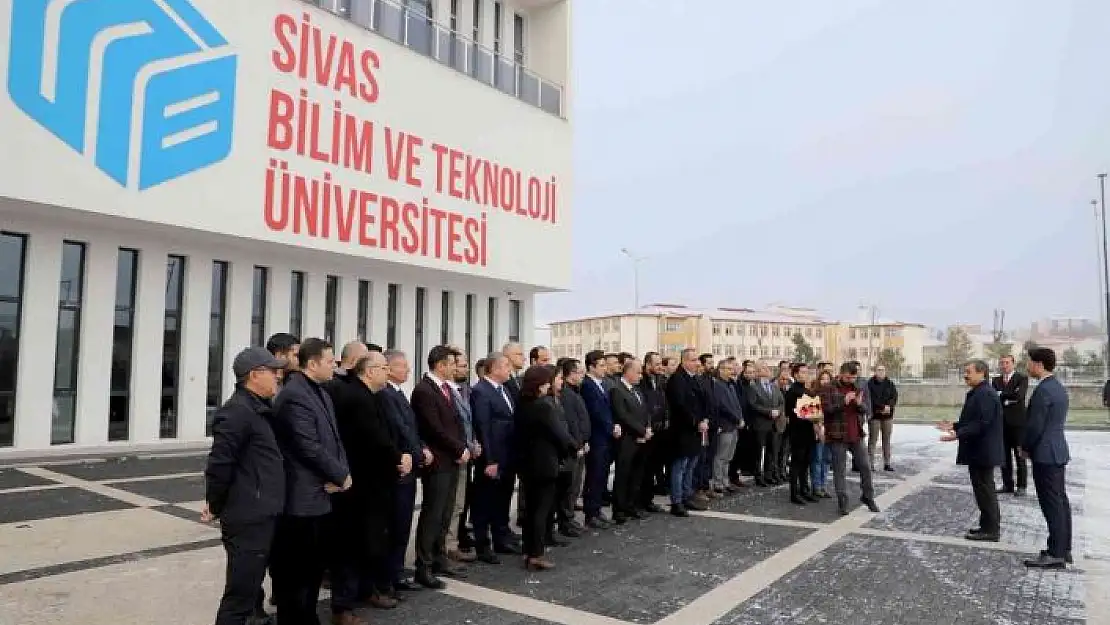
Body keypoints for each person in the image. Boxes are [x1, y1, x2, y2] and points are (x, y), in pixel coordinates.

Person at [269, 338, 351, 625]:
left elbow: (334, 440)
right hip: (301, 498)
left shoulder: (320, 392)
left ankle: (308, 617)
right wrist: (340, 475)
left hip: (321, 493)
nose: (334, 365)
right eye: (330, 361)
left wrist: (340, 473)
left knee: (314, 568)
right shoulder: (294, 395)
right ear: (313, 363)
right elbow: (308, 445)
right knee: (298, 573)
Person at [204, 347, 286, 625]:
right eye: (273, 371)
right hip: (248, 517)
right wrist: (215, 504)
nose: (279, 376)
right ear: (254, 375)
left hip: (264, 512)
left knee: (250, 590)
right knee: (240, 596)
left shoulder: (260, 409)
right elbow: (219, 465)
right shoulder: (237, 412)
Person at [328, 352, 412, 622]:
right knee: (352, 545)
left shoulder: (370, 395)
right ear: (369, 371)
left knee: (371, 541)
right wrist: (398, 458)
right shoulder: (356, 397)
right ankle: (343, 607)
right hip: (361, 486)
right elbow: (374, 439)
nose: (388, 372)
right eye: (384, 368)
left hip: (375, 483)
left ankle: (367, 590)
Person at [410, 345, 470, 588]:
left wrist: (462, 447)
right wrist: (458, 448)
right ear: (440, 365)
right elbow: (433, 428)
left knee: (446, 513)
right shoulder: (424, 390)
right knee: (432, 514)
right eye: (451, 364)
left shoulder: (447, 389)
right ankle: (423, 566)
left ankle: (439, 557)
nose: (455, 368)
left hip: (452, 460)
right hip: (438, 462)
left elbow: (455, 423)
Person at [514, 365, 578, 571]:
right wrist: (573, 447)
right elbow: (559, 434)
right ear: (541, 385)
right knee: (542, 510)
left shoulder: (522, 403)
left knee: (531, 509)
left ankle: (528, 549)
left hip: (526, 464)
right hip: (545, 464)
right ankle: (537, 554)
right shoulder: (543, 406)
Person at [937, 359, 1004, 542]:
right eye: (964, 371)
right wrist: (955, 425)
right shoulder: (979, 392)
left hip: (983, 451)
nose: (965, 375)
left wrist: (958, 434)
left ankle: (991, 530)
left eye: (969, 371)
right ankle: (986, 526)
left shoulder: (986, 394)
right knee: (981, 490)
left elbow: (982, 424)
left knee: (985, 490)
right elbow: (974, 420)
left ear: (982, 373)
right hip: (978, 450)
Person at [1022, 347, 1073, 569]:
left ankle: (1056, 553)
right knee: (1060, 502)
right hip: (1057, 450)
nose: (1027, 366)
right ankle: (1063, 548)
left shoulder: (1043, 390)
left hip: (1045, 453)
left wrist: (1025, 447)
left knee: (1052, 504)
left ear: (1039, 365)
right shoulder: (1058, 387)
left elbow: (1035, 426)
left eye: (1029, 362)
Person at [469, 353, 520, 562]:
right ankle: (483, 545)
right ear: (494, 368)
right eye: (506, 366)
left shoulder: (505, 389)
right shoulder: (481, 391)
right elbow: (483, 427)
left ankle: (501, 538)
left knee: (503, 499)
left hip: (508, 455)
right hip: (493, 457)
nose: (510, 370)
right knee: (485, 502)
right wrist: (489, 460)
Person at [818, 362, 880, 516]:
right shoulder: (829, 388)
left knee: (865, 466)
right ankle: (842, 501)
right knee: (840, 470)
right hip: (838, 435)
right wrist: (843, 402)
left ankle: (868, 496)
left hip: (856, 434)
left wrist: (860, 405)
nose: (852, 380)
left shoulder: (858, 386)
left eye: (854, 377)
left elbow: (865, 407)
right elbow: (826, 410)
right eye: (848, 377)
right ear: (841, 374)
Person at [666, 348, 711, 516]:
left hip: (696, 430)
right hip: (682, 431)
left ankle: (687, 495)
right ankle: (676, 501)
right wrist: (696, 421)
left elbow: (704, 402)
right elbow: (680, 406)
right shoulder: (677, 379)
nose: (697, 363)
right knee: (680, 466)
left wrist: (705, 418)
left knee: (691, 464)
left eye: (697, 359)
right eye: (692, 360)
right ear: (684, 361)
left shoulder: (695, 379)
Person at [609, 357, 652, 523]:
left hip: (641, 439)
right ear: (628, 372)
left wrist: (647, 428)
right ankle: (619, 510)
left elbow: (644, 411)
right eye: (638, 372)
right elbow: (623, 415)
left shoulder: (636, 390)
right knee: (623, 476)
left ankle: (631, 505)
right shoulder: (617, 390)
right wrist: (641, 431)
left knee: (636, 474)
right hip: (627, 440)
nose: (640, 376)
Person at [581, 350, 620, 528]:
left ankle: (596, 510)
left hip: (606, 436)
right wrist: (611, 427)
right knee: (594, 475)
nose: (605, 369)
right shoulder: (588, 385)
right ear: (591, 367)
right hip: (597, 436)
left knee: (602, 474)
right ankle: (591, 513)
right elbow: (596, 412)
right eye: (602, 365)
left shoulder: (602, 383)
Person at [557, 358, 592, 532]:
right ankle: (565, 521)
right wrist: (578, 444)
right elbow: (571, 423)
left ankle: (569, 517)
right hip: (573, 448)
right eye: (579, 372)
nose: (582, 375)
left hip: (580, 445)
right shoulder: (567, 395)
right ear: (570, 374)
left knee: (575, 484)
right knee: (569, 487)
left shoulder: (574, 392)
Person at [992, 355, 1030, 496]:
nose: (1004, 365)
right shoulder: (995, 380)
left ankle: (1022, 486)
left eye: (1007, 363)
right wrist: (1009, 396)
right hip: (1002, 424)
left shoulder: (1022, 378)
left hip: (1018, 425)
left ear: (1013, 364)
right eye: (1002, 363)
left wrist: (1002, 394)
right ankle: (1007, 485)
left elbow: (1019, 396)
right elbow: (994, 398)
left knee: (1020, 456)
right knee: (1004, 457)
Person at [784, 363, 819, 505]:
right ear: (796, 374)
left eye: (807, 372)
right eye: (803, 372)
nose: (806, 375)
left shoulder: (806, 390)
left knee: (806, 463)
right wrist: (811, 412)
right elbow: (792, 412)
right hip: (798, 431)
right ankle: (794, 493)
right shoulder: (793, 391)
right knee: (797, 464)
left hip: (808, 431)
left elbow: (813, 410)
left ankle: (804, 490)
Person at [747, 362, 785, 486]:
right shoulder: (753, 387)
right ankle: (758, 476)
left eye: (768, 368)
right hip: (761, 424)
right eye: (763, 368)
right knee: (759, 452)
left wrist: (778, 411)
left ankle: (769, 475)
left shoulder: (774, 386)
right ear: (758, 372)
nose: (767, 370)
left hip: (774, 424)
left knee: (771, 451)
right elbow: (753, 405)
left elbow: (781, 402)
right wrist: (769, 412)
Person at [710, 358, 743, 495]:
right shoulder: (718, 385)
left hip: (734, 425)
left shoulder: (730, 385)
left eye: (732, 369)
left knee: (729, 456)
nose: (731, 371)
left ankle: (725, 480)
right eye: (728, 369)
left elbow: (736, 404)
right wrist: (736, 418)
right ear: (721, 370)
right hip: (725, 425)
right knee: (721, 456)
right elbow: (723, 406)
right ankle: (718, 482)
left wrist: (740, 418)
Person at [866, 365, 898, 472]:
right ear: (875, 372)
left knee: (887, 440)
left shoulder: (890, 384)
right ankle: (870, 464)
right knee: (872, 440)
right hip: (875, 416)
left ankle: (887, 463)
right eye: (878, 370)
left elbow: (894, 397)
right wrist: (882, 407)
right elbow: (870, 399)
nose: (881, 372)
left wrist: (889, 406)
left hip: (888, 416)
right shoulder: (870, 384)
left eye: (883, 370)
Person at [809, 370, 833, 498]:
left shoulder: (834, 394)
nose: (825, 381)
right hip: (817, 430)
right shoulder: (813, 395)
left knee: (826, 460)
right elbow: (810, 414)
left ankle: (824, 486)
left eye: (827, 378)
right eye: (823, 378)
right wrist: (818, 425)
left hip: (830, 431)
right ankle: (816, 486)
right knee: (817, 459)